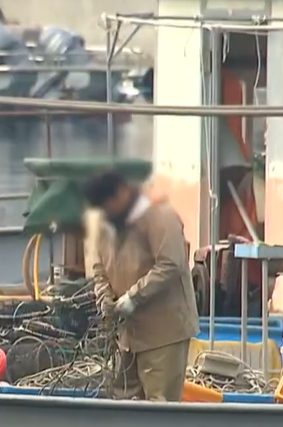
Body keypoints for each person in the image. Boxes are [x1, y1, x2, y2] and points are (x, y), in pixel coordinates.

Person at [83, 169, 198, 402]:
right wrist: (104, 296)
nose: (105, 213)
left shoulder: (160, 216)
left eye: (107, 206)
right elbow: (99, 265)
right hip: (126, 335)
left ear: (122, 193)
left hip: (163, 334)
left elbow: (171, 264)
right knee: (122, 401)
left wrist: (134, 297)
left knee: (159, 404)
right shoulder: (106, 223)